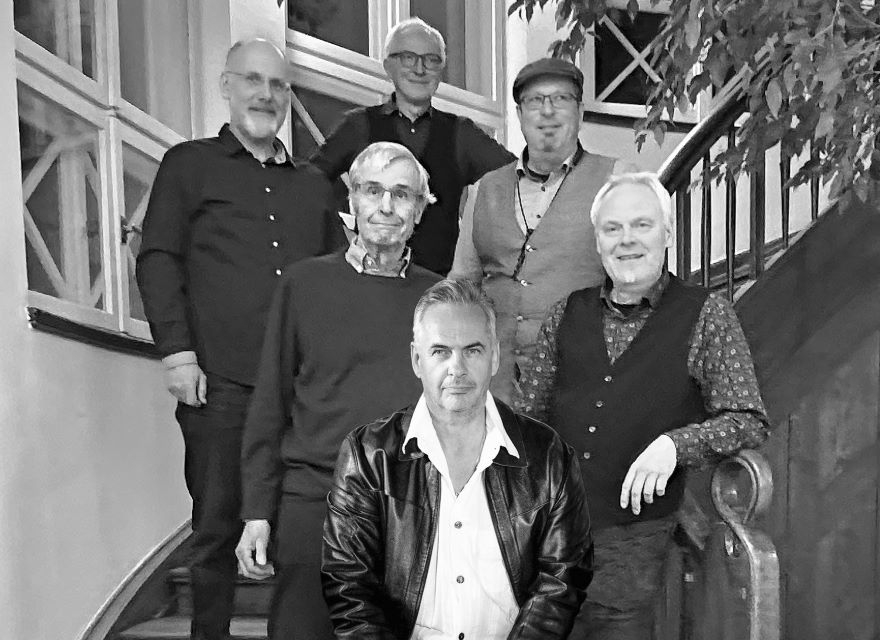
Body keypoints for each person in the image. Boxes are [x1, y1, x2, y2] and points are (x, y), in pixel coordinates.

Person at [135, 38, 341, 640]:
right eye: (252, 80)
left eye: (277, 85)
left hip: (299, 391)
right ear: (226, 85)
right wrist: (177, 353)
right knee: (218, 526)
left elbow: (336, 280)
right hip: (218, 382)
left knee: (300, 528)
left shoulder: (313, 186)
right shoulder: (188, 164)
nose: (265, 95)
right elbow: (158, 258)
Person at [514, 173, 770, 639]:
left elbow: (748, 419)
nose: (626, 239)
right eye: (612, 228)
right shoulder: (565, 312)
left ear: (667, 234)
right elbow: (527, 419)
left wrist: (676, 446)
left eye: (642, 225)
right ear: (598, 241)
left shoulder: (707, 314)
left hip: (632, 547)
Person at [235, 142, 443, 639]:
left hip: (408, 506)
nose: (386, 206)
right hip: (315, 501)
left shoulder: (440, 300)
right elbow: (269, 404)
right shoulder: (303, 284)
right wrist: (257, 512)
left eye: (402, 194)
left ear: (419, 209)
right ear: (352, 199)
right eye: (373, 191)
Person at [322, 279, 592, 639]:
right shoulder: (369, 456)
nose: (457, 368)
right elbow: (349, 586)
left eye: (473, 350)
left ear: (495, 357)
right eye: (440, 351)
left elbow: (562, 581)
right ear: (417, 359)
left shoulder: (548, 455)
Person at [450, 57, 626, 404]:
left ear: (580, 111)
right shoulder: (483, 190)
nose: (547, 111)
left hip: (582, 386)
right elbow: (461, 286)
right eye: (535, 100)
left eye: (561, 98)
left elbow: (637, 288)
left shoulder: (616, 180)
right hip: (494, 387)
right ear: (519, 114)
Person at [310, 17, 514, 275]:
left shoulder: (461, 133)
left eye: (431, 60)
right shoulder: (358, 126)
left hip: (438, 285)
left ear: (441, 70)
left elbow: (516, 179)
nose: (420, 69)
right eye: (408, 58)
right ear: (388, 66)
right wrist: (340, 238)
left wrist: (479, 249)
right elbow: (308, 184)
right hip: (371, 280)